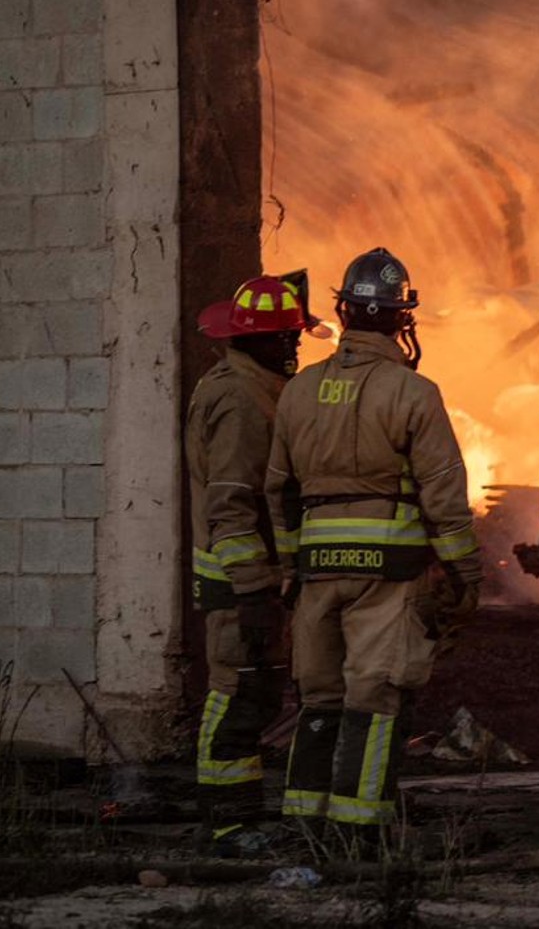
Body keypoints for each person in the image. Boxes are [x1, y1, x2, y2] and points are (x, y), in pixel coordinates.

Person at [265, 247, 483, 846]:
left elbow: (278, 490)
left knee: (318, 698)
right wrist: (466, 573)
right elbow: (443, 494)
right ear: (400, 319)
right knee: (375, 696)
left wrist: (290, 567)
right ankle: (359, 837)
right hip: (388, 574)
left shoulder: (298, 392)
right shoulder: (414, 393)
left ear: (342, 310)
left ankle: (306, 828)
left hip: (316, 573)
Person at [186, 273, 318, 856]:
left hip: (252, 580)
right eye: (280, 337)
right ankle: (229, 824)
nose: (292, 347)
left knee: (253, 695)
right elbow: (232, 505)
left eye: (294, 335)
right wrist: (254, 591)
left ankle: (237, 816)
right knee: (237, 695)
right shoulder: (240, 400)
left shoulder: (256, 384)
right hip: (240, 583)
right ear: (248, 338)